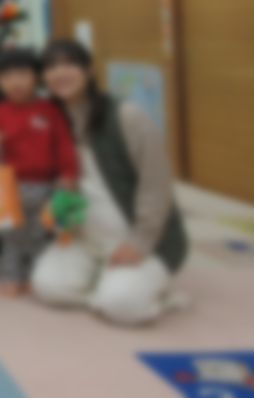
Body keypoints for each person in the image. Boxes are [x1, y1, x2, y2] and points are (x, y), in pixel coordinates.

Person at [31, 39, 189, 327]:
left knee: (122, 304)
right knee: (47, 287)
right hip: (82, 237)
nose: (60, 73)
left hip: (139, 239)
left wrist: (139, 243)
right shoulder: (48, 119)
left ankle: (131, 293)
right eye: (51, 67)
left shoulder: (126, 115)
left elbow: (157, 185)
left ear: (90, 69)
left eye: (69, 64)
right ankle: (107, 287)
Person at [0, 48, 78, 298]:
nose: (15, 82)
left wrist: (68, 173)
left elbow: (64, 144)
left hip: (46, 186)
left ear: (37, 77)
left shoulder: (50, 109)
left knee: (41, 235)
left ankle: (37, 276)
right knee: (10, 236)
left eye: (22, 74)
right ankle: (11, 276)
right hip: (9, 186)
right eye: (7, 77)